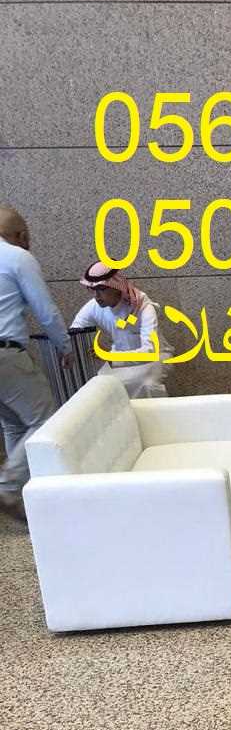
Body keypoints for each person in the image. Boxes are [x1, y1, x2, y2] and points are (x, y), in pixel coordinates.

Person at [0, 205, 72, 520]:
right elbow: (45, 310)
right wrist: (64, 345)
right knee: (45, 420)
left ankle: (23, 496)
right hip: (5, 353)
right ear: (20, 235)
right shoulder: (17, 257)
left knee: (14, 423)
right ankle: (9, 486)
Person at [72, 262, 172, 399]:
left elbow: (149, 352)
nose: (96, 296)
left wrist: (110, 356)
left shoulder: (143, 307)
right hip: (118, 359)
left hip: (155, 358)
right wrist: (67, 351)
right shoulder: (94, 306)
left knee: (147, 384)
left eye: (101, 289)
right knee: (99, 385)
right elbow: (76, 330)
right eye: (93, 290)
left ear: (116, 287)